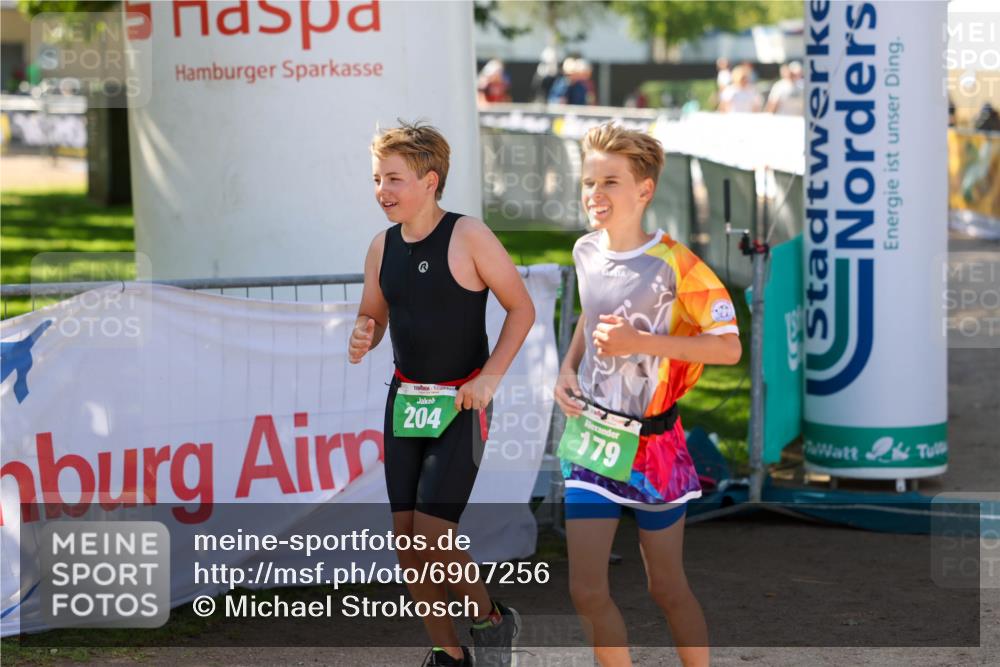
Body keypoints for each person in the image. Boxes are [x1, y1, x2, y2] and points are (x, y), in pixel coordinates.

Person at [554, 122, 742, 667]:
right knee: (586, 592)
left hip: (655, 449)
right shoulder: (584, 250)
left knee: (666, 587)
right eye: (589, 183)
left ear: (645, 190)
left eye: (610, 182)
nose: (595, 195)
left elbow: (728, 349)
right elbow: (589, 320)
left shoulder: (678, 264)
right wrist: (568, 370)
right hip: (592, 436)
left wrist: (641, 340)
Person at [350, 121, 535, 666]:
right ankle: (448, 654)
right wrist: (365, 332)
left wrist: (489, 378)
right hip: (405, 400)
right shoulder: (381, 246)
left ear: (430, 181)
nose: (382, 190)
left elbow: (521, 308)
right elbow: (374, 314)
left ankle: (491, 620)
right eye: (377, 178)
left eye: (394, 179)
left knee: (435, 535)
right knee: (408, 544)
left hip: (462, 403)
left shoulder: (469, 235)